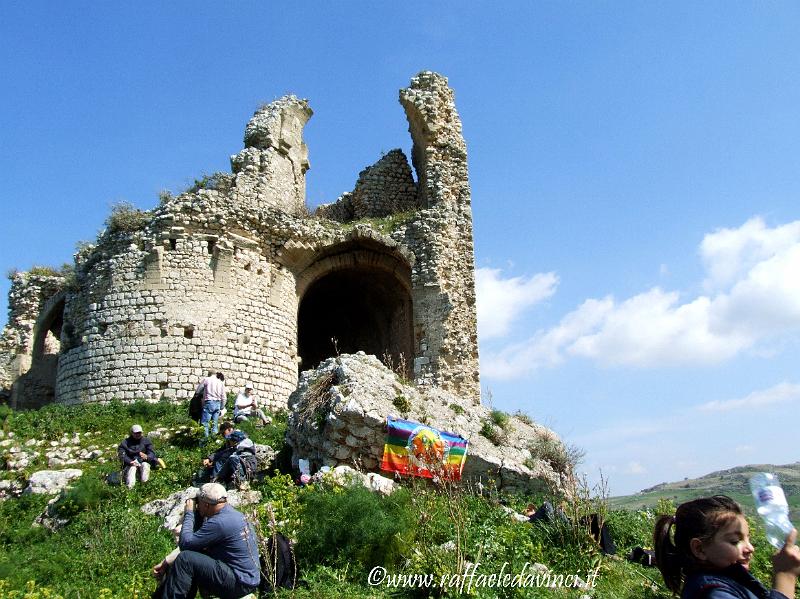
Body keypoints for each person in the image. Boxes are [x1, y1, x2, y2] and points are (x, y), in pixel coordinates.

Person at [654, 495, 800, 598]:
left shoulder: (726, 582)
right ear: (699, 549)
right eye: (735, 541)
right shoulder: (713, 592)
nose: (750, 548)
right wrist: (785, 577)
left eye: (748, 539)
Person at [151, 482, 260, 599]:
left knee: (186, 560)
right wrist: (166, 562)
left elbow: (185, 545)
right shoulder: (233, 514)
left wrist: (190, 513)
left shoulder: (219, 522)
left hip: (239, 583)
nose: (197, 506)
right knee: (189, 558)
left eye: (199, 503)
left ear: (207, 505)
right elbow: (195, 546)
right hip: (246, 579)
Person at [118, 424, 162, 488]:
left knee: (145, 465)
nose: (138, 434)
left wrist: (147, 456)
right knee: (132, 468)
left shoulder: (146, 441)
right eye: (136, 433)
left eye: (139, 432)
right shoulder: (125, 443)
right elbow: (121, 455)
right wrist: (130, 462)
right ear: (132, 433)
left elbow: (152, 453)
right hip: (130, 464)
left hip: (143, 461)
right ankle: (130, 487)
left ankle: (145, 485)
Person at [197, 371, 226, 439]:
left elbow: (198, 390)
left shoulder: (206, 379)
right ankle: (214, 441)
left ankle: (204, 442)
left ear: (209, 374)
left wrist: (199, 395)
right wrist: (222, 406)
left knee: (205, 424)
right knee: (215, 424)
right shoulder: (220, 382)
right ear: (215, 374)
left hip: (209, 402)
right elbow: (224, 397)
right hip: (218, 403)